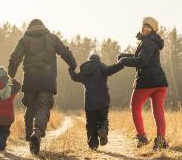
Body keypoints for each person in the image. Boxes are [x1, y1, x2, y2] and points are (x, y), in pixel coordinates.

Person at [8, 19, 77, 155]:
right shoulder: (52, 38)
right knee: (43, 107)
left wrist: (11, 74)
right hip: (47, 80)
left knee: (30, 108)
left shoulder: (25, 39)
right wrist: (73, 65)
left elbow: (15, 57)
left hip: (30, 81)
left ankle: (30, 137)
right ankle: (37, 132)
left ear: (29, 27)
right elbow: (65, 52)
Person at [118, 16, 169, 150]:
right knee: (159, 112)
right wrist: (126, 56)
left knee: (135, 108)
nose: (145, 28)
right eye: (144, 26)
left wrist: (124, 61)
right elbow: (141, 57)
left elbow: (142, 61)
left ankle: (142, 137)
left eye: (149, 27)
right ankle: (161, 139)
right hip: (160, 82)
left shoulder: (147, 42)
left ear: (153, 29)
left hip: (147, 81)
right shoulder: (153, 42)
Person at [69, 53, 124, 150]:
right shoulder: (101, 66)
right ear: (98, 60)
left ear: (89, 60)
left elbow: (74, 77)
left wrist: (70, 69)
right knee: (103, 119)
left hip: (90, 101)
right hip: (104, 99)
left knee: (91, 123)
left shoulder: (84, 71)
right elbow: (111, 69)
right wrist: (121, 63)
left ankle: (93, 145)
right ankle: (103, 129)